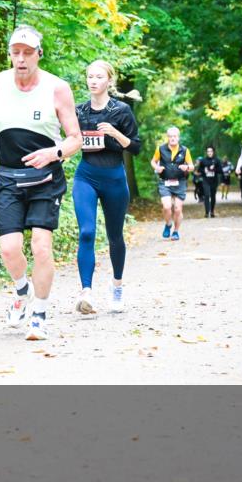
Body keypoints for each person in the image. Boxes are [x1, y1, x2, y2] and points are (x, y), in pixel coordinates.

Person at [0, 25, 81, 340]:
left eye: (27, 53)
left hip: (45, 179)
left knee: (41, 247)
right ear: (10, 54)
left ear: (39, 54)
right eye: (15, 52)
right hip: (8, 177)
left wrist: (53, 152)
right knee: (9, 249)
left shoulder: (57, 88)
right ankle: (23, 291)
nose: (21, 59)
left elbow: (75, 138)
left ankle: (39, 315)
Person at [72, 60, 141, 315]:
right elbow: (69, 139)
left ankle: (117, 286)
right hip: (86, 177)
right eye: (90, 76)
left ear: (109, 80)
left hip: (114, 178)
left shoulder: (121, 110)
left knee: (115, 236)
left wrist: (114, 133)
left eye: (99, 77)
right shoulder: (79, 111)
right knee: (86, 232)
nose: (93, 81)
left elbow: (136, 147)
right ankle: (86, 292)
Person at [150, 127, 193, 241]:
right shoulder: (160, 149)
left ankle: (176, 231)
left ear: (178, 137)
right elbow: (153, 161)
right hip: (165, 182)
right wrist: (157, 167)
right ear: (167, 137)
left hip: (180, 182)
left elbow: (192, 166)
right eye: (170, 136)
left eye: (174, 136)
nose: (172, 138)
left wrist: (187, 167)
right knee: (167, 206)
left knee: (178, 209)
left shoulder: (184, 150)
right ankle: (168, 224)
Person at [196, 145, 224, 217]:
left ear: (213, 152)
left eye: (211, 151)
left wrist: (214, 169)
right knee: (206, 195)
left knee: (213, 196)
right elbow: (199, 170)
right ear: (206, 152)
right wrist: (204, 170)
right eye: (208, 151)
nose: (209, 153)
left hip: (214, 181)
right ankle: (206, 212)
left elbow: (220, 171)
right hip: (206, 180)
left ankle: (212, 211)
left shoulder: (217, 160)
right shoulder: (203, 160)